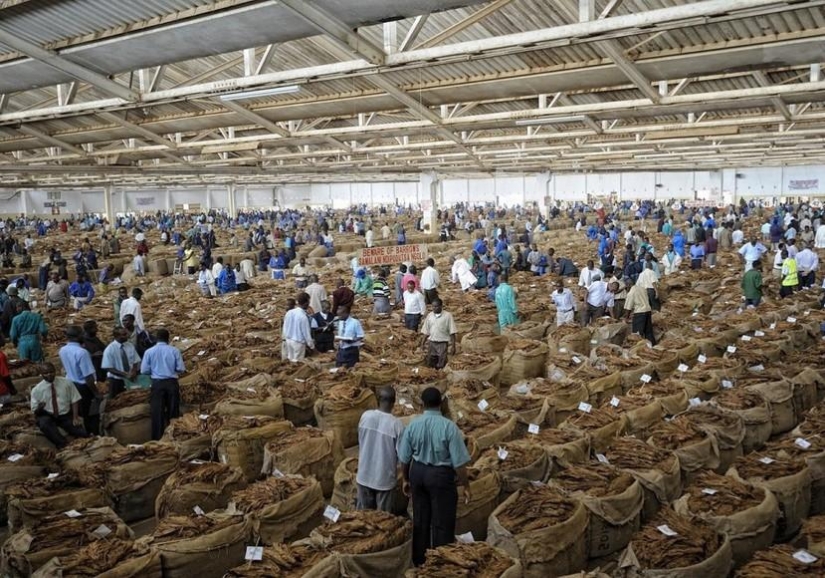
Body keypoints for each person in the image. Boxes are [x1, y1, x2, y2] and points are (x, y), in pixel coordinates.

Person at [397, 387, 471, 567]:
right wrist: (466, 485)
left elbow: (404, 458)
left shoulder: (413, 425)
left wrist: (406, 479)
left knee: (420, 518)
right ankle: (439, 562)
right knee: (443, 521)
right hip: (440, 476)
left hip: (418, 473)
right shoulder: (449, 427)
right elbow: (459, 463)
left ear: (422, 404)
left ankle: (420, 561)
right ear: (441, 404)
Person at [356, 386, 405, 512]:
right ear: (394, 402)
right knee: (383, 519)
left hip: (364, 476)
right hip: (384, 480)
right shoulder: (396, 425)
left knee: (363, 517)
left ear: (378, 399)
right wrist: (406, 478)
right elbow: (403, 457)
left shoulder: (365, 417)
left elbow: (360, 440)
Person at [30, 362, 89, 449]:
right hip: (47, 415)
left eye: (51, 372)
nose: (49, 375)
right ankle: (63, 444)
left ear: (55, 371)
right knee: (44, 424)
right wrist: (40, 408)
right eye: (46, 373)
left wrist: (75, 417)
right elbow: (34, 410)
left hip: (64, 414)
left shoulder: (66, 383)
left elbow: (75, 399)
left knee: (81, 432)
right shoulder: (37, 390)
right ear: (41, 374)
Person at [141, 328, 185, 440]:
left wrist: (154, 371)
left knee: (157, 412)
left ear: (156, 339)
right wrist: (171, 369)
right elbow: (181, 368)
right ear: (168, 338)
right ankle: (174, 436)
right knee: (173, 412)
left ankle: (158, 439)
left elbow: (144, 370)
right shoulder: (174, 351)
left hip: (157, 384)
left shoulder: (149, 352)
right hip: (171, 383)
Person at [59, 325, 99, 435]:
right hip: (83, 387)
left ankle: (82, 433)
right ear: (78, 336)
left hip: (70, 384)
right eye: (82, 334)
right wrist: (96, 393)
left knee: (78, 412)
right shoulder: (82, 352)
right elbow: (88, 377)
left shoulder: (62, 350)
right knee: (89, 413)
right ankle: (91, 434)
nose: (84, 335)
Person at [101, 327, 141, 398]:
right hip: (116, 380)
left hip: (131, 379)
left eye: (126, 333)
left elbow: (135, 360)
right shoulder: (109, 349)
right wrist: (124, 374)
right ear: (117, 336)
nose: (127, 336)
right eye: (124, 334)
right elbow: (108, 367)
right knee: (116, 400)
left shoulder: (130, 345)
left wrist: (134, 370)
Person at [419, 299, 457, 369]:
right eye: (433, 306)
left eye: (436, 306)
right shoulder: (430, 315)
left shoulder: (448, 316)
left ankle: (440, 373)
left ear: (441, 306)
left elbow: (452, 332)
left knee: (441, 361)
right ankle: (432, 372)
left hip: (442, 343)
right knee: (431, 360)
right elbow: (426, 331)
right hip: (432, 342)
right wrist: (422, 344)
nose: (434, 308)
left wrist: (453, 346)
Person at [282, 292, 315, 362]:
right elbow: (306, 333)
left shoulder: (289, 312)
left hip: (289, 340)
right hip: (298, 343)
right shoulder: (303, 317)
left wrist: (286, 338)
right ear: (306, 303)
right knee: (298, 362)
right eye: (308, 302)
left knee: (290, 359)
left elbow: (285, 327)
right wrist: (311, 346)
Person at [624, 277, 655, 344]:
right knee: (648, 331)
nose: (626, 287)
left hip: (640, 313)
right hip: (648, 311)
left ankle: (639, 347)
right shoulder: (642, 288)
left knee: (637, 334)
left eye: (626, 286)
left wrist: (626, 318)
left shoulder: (631, 293)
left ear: (628, 285)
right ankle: (652, 345)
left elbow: (628, 308)